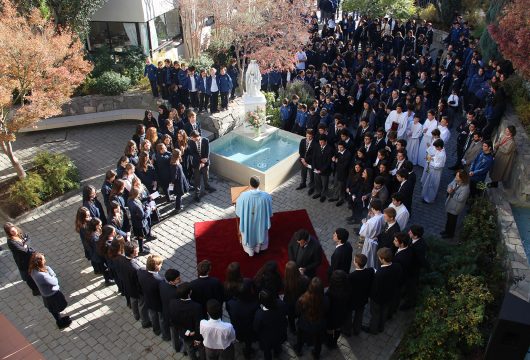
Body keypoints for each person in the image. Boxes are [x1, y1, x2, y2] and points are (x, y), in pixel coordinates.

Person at [28, 252, 72, 329]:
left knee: (53, 310)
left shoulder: (33, 270)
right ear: (39, 262)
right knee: (55, 309)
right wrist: (52, 273)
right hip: (52, 295)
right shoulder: (42, 275)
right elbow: (54, 282)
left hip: (46, 295)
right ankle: (60, 323)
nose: (45, 260)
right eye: (43, 259)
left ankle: (59, 321)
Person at [366, 248, 402, 334]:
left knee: (375, 314)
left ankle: (373, 329)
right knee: (384, 312)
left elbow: (375, 288)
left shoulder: (380, 273)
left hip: (378, 298)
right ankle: (381, 327)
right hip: (389, 295)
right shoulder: (397, 266)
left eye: (379, 257)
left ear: (382, 259)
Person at [115, 241, 151, 327]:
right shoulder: (136, 267)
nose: (138, 252)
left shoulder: (121, 258)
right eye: (136, 251)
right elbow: (139, 281)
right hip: (137, 289)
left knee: (133, 300)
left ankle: (136, 315)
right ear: (132, 253)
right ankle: (145, 322)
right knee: (142, 305)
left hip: (128, 285)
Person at [235, 176, 273, 257]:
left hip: (248, 223)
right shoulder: (266, 196)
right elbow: (269, 212)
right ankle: (260, 247)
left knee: (248, 232)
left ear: (250, 184)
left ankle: (250, 250)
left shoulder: (243, 196)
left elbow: (238, 211)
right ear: (259, 184)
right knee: (261, 231)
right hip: (261, 223)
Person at [294, 277, 329, 359]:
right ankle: (316, 355)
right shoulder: (325, 299)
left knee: (300, 338)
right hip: (319, 325)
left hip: (304, 324)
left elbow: (297, 312)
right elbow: (327, 310)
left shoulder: (302, 299)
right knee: (318, 341)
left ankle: (298, 350)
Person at [169, 282, 205, 359]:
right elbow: (198, 325)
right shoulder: (196, 307)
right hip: (195, 334)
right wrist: (197, 338)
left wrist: (186, 332)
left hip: (184, 334)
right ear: (189, 293)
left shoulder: (172, 303)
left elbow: (173, 321)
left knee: (189, 348)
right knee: (201, 348)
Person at [226, 280, 259, 359]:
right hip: (249, 329)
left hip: (237, 328)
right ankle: (248, 353)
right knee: (248, 342)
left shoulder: (231, 303)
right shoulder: (254, 305)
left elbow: (229, 312)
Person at [4, 223, 40, 295]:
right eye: (12, 231)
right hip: (23, 262)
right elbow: (23, 250)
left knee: (36, 270)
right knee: (28, 277)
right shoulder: (11, 242)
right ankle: (35, 290)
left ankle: (40, 283)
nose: (15, 232)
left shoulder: (20, 232)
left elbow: (28, 238)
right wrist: (25, 245)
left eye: (14, 229)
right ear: (9, 233)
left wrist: (26, 245)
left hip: (31, 256)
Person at [253, 290, 288, 360]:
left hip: (267, 339)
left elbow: (256, 328)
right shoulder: (281, 304)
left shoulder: (260, 314)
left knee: (267, 351)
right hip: (280, 333)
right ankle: (277, 353)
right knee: (278, 344)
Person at [137, 254, 165, 337]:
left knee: (153, 315)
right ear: (156, 267)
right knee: (161, 318)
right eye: (160, 264)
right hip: (158, 302)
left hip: (148, 299)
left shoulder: (141, 271)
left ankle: (156, 330)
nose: (161, 266)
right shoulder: (159, 280)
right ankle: (163, 332)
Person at [347, 254, 375, 336]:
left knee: (349, 314)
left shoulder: (351, 276)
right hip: (363, 298)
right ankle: (357, 329)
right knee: (359, 314)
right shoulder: (370, 271)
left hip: (352, 299)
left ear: (356, 263)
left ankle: (347, 330)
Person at [325, 270, 352, 348]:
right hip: (342, 313)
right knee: (338, 328)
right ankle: (334, 342)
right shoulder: (348, 289)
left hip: (331, 316)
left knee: (330, 329)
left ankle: (329, 343)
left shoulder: (330, 292)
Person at [441, 169, 470, 239]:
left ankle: (450, 234)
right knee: (449, 219)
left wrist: (451, 193)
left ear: (462, 178)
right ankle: (446, 231)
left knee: (452, 221)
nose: (456, 177)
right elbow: (450, 184)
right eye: (456, 175)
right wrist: (449, 188)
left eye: (457, 176)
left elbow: (461, 199)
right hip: (450, 203)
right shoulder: (456, 180)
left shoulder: (465, 188)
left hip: (456, 207)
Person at [188, 130, 216, 202]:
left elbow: (207, 151)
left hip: (205, 162)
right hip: (197, 163)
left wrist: (205, 160)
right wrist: (201, 161)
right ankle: (197, 194)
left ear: (197, 137)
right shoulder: (191, 141)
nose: (192, 139)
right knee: (197, 179)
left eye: (193, 138)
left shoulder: (205, 140)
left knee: (206, 175)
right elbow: (192, 153)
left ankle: (207, 186)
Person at [283, 261, 309, 334]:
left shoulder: (285, 281)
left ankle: (293, 329)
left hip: (289, 303)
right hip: (300, 302)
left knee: (291, 318)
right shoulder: (304, 279)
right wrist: (302, 275)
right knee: (301, 315)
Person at [359, 199, 385, 269]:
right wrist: (372, 217)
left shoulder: (371, 221)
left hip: (370, 241)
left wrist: (364, 223)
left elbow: (362, 232)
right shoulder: (383, 216)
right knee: (374, 256)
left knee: (369, 257)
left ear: (373, 208)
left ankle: (368, 268)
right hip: (376, 239)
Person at [159, 269, 181, 344]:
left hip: (165, 310)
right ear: (171, 281)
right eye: (178, 279)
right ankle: (176, 346)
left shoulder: (162, 284)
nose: (180, 279)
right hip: (173, 316)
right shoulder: (176, 292)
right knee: (174, 332)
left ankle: (166, 336)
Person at [421, 139, 446, 203]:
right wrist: (431, 158)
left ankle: (429, 199)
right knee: (429, 183)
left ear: (439, 147)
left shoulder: (442, 155)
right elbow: (436, 158)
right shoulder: (439, 151)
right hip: (433, 171)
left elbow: (438, 165)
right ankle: (427, 196)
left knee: (433, 185)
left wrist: (430, 161)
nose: (435, 148)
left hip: (436, 172)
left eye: (436, 147)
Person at [311, 134, 334, 202]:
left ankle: (323, 195)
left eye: (322, 142)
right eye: (319, 141)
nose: (320, 143)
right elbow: (313, 158)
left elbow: (328, 163)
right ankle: (318, 192)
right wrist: (314, 167)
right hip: (316, 169)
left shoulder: (330, 149)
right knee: (317, 182)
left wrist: (321, 170)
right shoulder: (317, 147)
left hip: (324, 171)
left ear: (325, 142)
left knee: (324, 184)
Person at [169, 148, 190, 213]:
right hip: (178, 183)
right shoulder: (174, 165)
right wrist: (172, 184)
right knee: (179, 195)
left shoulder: (176, 161)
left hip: (181, 180)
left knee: (179, 194)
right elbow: (174, 177)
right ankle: (177, 208)